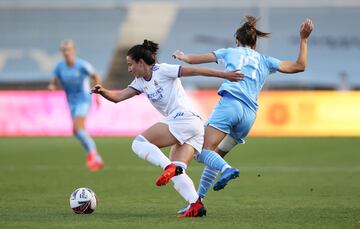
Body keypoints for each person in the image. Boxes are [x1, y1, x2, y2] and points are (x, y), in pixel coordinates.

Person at [173, 16, 314, 211]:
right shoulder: (265, 60)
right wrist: (304, 39)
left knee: (200, 150)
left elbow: (193, 60)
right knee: (215, 156)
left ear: (237, 41)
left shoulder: (230, 52)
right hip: (248, 117)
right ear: (255, 45)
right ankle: (197, 202)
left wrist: (182, 55)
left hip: (230, 105)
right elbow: (300, 66)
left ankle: (227, 169)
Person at [91, 40, 243, 217]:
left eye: (130, 64)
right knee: (178, 169)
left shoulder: (162, 70)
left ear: (141, 62)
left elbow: (195, 71)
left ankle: (168, 167)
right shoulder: (140, 82)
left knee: (139, 143)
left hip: (184, 118)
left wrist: (225, 75)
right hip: (192, 126)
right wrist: (103, 91)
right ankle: (195, 204)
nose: (129, 69)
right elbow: (118, 97)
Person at [48, 39, 104, 172]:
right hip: (71, 101)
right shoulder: (59, 67)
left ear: (73, 50)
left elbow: (95, 75)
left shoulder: (82, 65)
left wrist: (98, 95)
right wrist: (52, 85)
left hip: (84, 99)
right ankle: (97, 158)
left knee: (78, 127)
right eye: (64, 50)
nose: (66, 52)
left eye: (68, 49)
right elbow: (54, 80)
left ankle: (91, 155)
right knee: (76, 131)